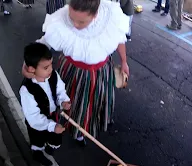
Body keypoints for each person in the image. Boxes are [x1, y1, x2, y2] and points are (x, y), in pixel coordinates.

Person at [22, 0, 130, 146]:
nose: (74, 25)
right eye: (72, 18)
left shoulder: (110, 16)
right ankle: (76, 132)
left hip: (101, 73)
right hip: (74, 73)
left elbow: (118, 39)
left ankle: (88, 127)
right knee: (73, 104)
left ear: (95, 15)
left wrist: (124, 61)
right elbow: (44, 42)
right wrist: (27, 63)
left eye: (81, 21)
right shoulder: (61, 19)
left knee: (94, 104)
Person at [20, 43, 71, 166]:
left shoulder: (53, 75)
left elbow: (60, 90)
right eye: (46, 67)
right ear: (32, 69)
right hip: (37, 122)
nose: (50, 70)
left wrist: (63, 101)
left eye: (51, 65)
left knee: (55, 136)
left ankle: (50, 146)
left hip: (53, 115)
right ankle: (37, 153)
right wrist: (52, 126)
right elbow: (33, 116)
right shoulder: (27, 90)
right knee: (38, 138)